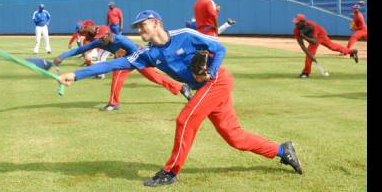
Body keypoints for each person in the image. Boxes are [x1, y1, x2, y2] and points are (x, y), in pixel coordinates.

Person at [57, 10, 303, 186]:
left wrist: (211, 71)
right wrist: (76, 75)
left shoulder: (185, 34)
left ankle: (170, 172)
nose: (139, 29)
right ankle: (282, 150)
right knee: (234, 137)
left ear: (155, 23)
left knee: (185, 120)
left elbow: (219, 49)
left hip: (217, 82)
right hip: (206, 88)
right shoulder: (148, 54)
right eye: (138, 27)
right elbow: (116, 64)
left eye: (143, 25)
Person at [54, 23, 192, 111]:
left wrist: (124, 53)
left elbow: (134, 50)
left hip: (137, 56)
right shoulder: (98, 43)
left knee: (121, 74)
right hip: (128, 60)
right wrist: (62, 56)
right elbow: (78, 50)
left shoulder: (119, 38)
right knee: (154, 77)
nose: (103, 39)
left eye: (104, 36)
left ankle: (113, 103)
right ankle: (180, 87)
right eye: (100, 38)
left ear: (108, 33)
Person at [292, 13, 359, 78]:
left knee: (326, 48)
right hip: (314, 38)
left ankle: (305, 73)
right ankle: (351, 51)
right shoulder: (296, 30)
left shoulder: (312, 25)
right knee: (331, 47)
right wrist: (310, 55)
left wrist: (304, 37)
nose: (296, 24)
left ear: (303, 22)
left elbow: (314, 42)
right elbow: (301, 45)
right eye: (295, 22)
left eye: (297, 22)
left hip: (320, 33)